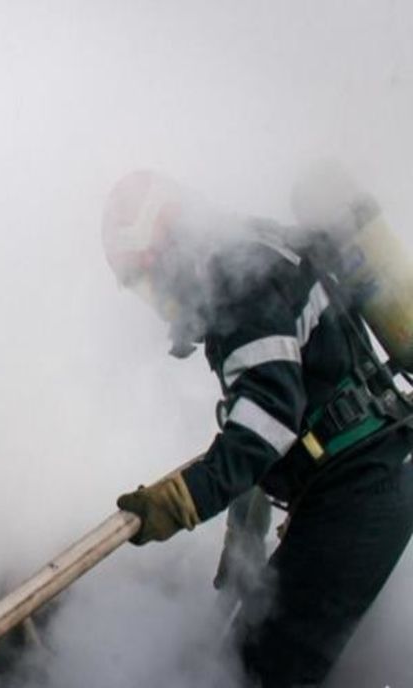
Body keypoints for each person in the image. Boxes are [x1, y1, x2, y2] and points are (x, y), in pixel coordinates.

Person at [102, 169, 413, 686]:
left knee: (263, 673)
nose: (159, 302)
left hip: (359, 491)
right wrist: (245, 531)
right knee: (255, 655)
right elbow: (288, 405)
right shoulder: (257, 251)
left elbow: (266, 422)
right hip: (366, 476)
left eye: (149, 279)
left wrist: (176, 504)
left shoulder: (238, 288)